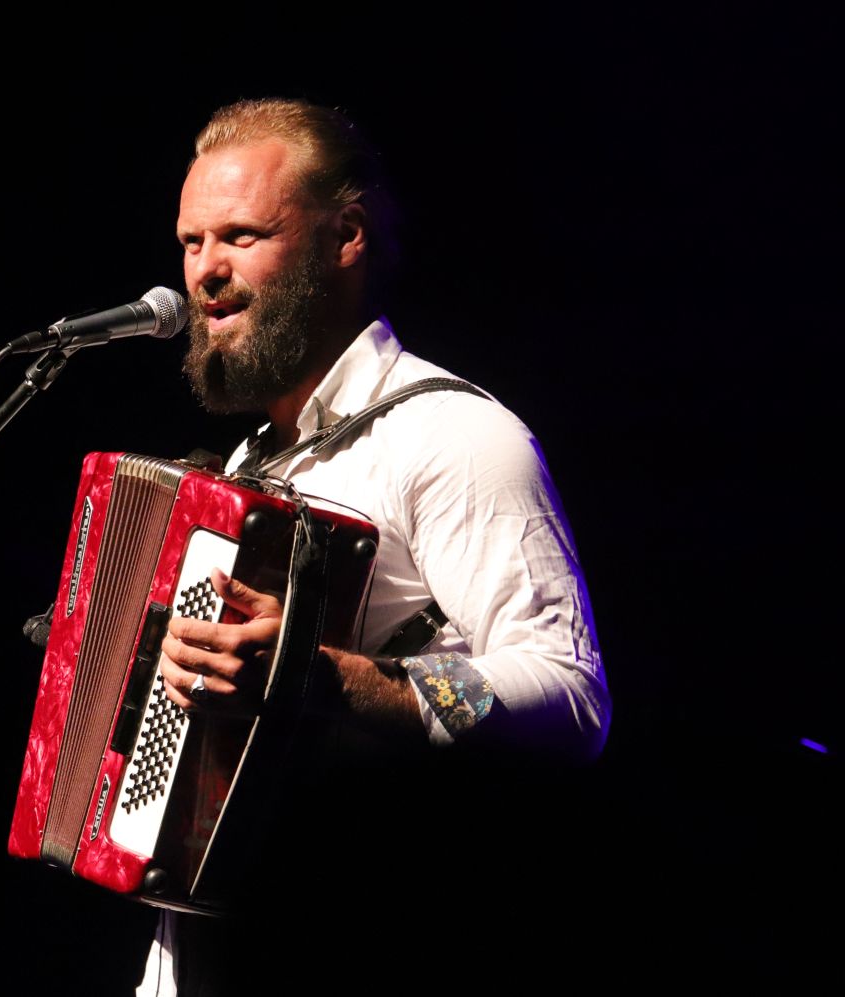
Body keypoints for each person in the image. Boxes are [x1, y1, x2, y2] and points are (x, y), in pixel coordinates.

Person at [135, 98, 611, 995]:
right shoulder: (250, 465)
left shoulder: (453, 435)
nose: (205, 272)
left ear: (345, 236)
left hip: (368, 935)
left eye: (240, 235)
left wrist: (322, 675)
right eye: (191, 242)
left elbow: (571, 697)